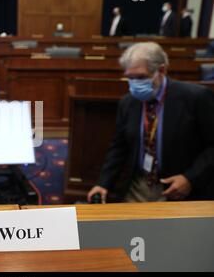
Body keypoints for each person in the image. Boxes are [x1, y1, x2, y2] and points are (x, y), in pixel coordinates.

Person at [87, 42, 214, 203]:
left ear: (162, 70)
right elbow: (119, 146)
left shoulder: (196, 98)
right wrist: (103, 183)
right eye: (130, 78)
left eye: (141, 77)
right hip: (139, 186)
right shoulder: (128, 102)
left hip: (181, 190)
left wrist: (190, 178)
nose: (135, 84)